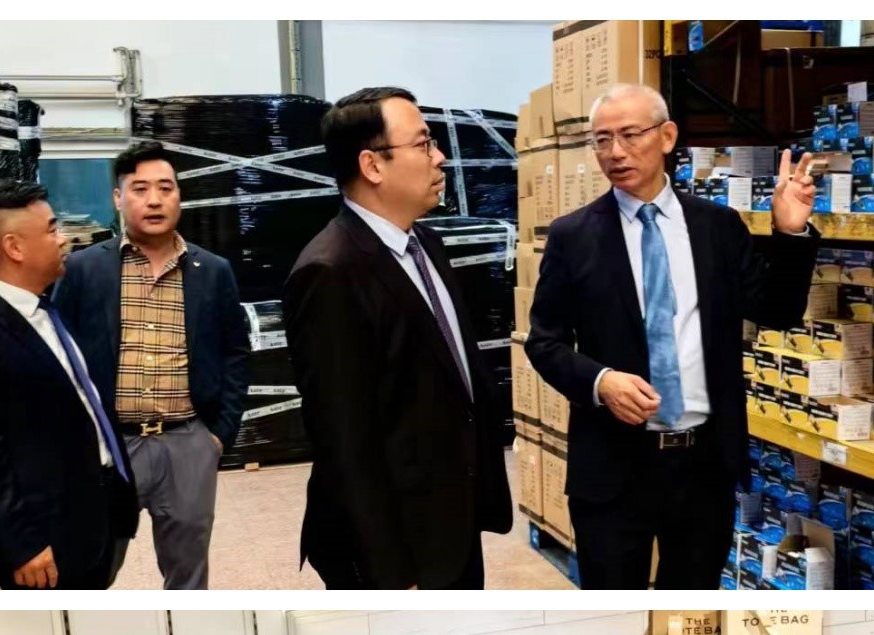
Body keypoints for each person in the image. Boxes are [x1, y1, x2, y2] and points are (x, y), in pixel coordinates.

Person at [526, 84, 819, 590]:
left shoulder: (717, 227)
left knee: (690, 610)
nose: (615, 152)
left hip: (703, 464)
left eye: (629, 135)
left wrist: (789, 234)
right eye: (602, 140)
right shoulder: (573, 236)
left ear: (666, 136)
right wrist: (600, 381)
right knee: (612, 609)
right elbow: (544, 341)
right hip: (614, 465)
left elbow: (777, 311)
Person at [283, 87, 513, 590]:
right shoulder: (331, 272)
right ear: (372, 165)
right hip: (397, 545)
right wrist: (391, 571)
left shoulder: (425, 243)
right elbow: (344, 440)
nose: (440, 157)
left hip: (449, 517)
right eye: (424, 143)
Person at [52, 143, 250, 590]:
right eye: (140, 189)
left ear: (179, 195)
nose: (155, 200)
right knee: (91, 569)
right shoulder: (83, 270)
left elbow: (236, 352)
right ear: (118, 198)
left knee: (188, 577)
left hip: (188, 442)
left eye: (165, 188)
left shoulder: (212, 270)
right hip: (110, 447)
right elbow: (59, 356)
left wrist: (219, 435)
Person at [0, 178, 137, 589]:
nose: (63, 239)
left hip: (95, 514)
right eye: (51, 229)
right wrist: (21, 544)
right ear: (14, 247)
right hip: (43, 548)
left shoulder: (47, 310)